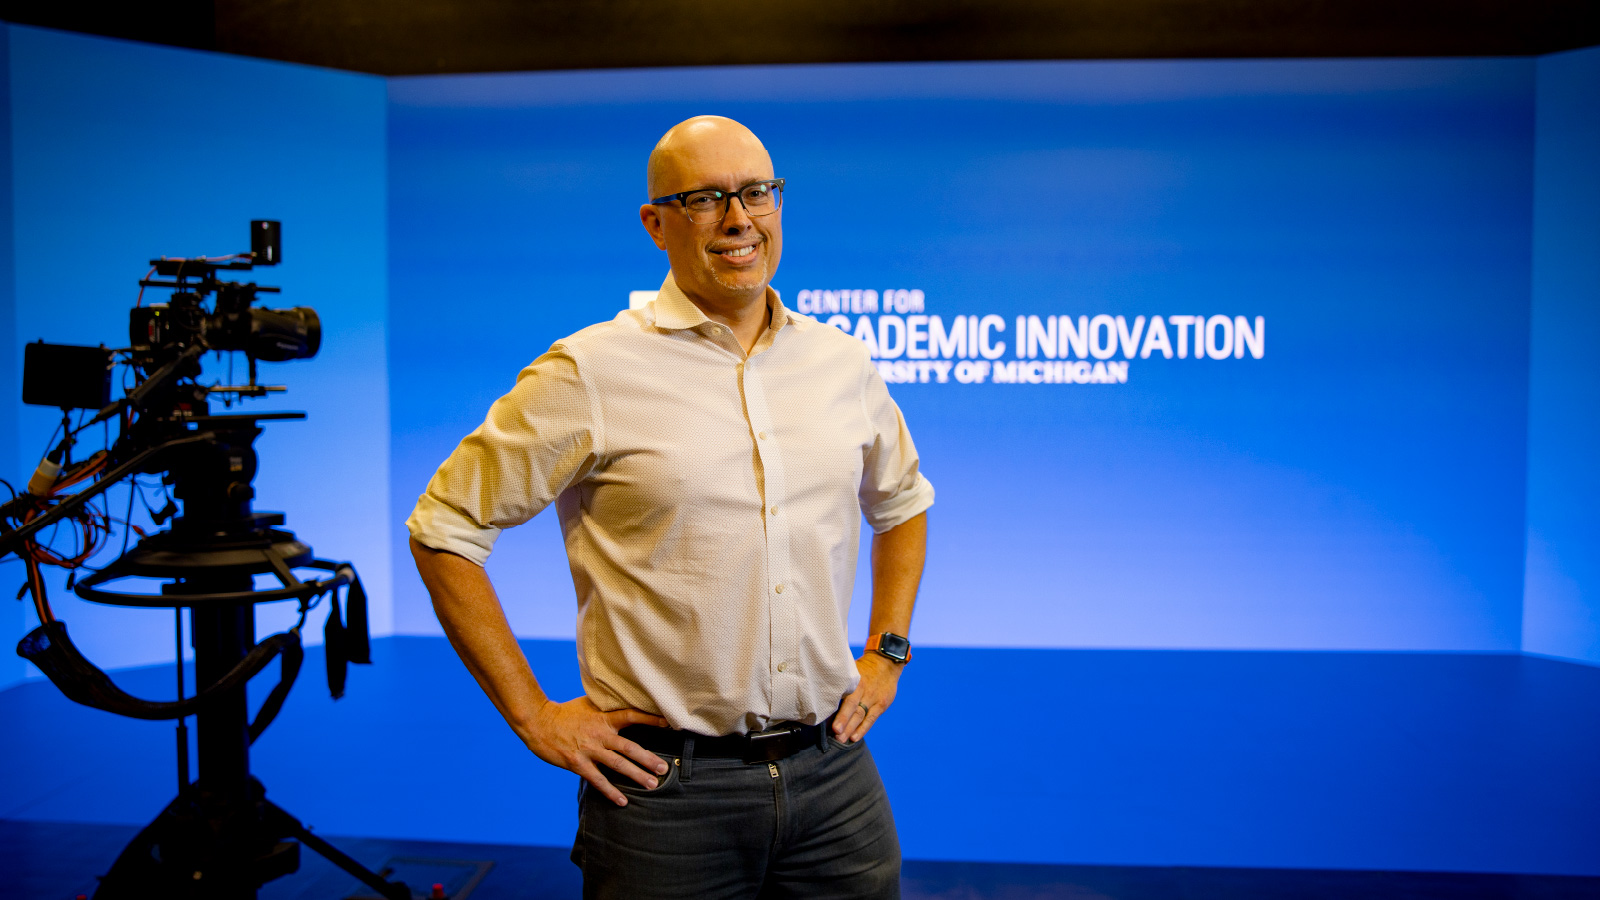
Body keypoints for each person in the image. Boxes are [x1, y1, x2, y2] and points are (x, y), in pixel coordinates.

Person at [407, 115, 934, 899]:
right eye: (705, 199)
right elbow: (444, 527)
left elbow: (901, 503)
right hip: (665, 798)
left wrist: (887, 651)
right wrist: (532, 714)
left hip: (836, 783)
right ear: (657, 223)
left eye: (757, 193)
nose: (738, 219)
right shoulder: (590, 369)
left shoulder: (841, 361)